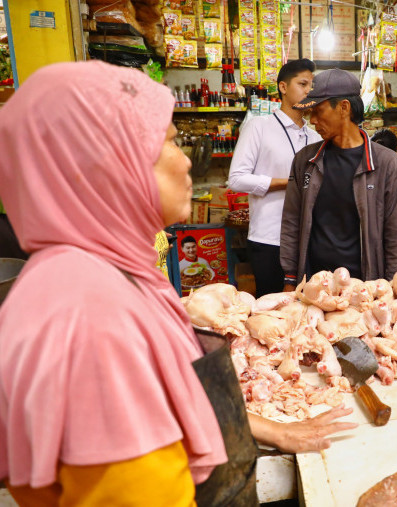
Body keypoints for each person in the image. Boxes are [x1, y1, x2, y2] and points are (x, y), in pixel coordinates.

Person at [0, 61, 355, 505]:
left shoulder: (100, 272)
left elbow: (170, 399)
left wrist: (274, 431)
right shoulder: (92, 316)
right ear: (106, 164)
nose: (186, 160)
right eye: (167, 143)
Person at [280, 68, 397, 288]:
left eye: (318, 111)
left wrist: (389, 286)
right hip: (314, 284)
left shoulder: (387, 164)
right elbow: (291, 222)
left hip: (364, 285)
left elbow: (396, 234)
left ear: (344, 108)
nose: (312, 120)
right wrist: (291, 278)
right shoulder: (306, 161)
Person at [229, 59, 322, 297]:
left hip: (309, 238)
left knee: (308, 306)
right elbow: (237, 179)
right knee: (272, 307)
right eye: (302, 84)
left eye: (311, 86)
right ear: (283, 87)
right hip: (269, 237)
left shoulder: (314, 136)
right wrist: (289, 183)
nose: (308, 91)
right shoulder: (259, 127)